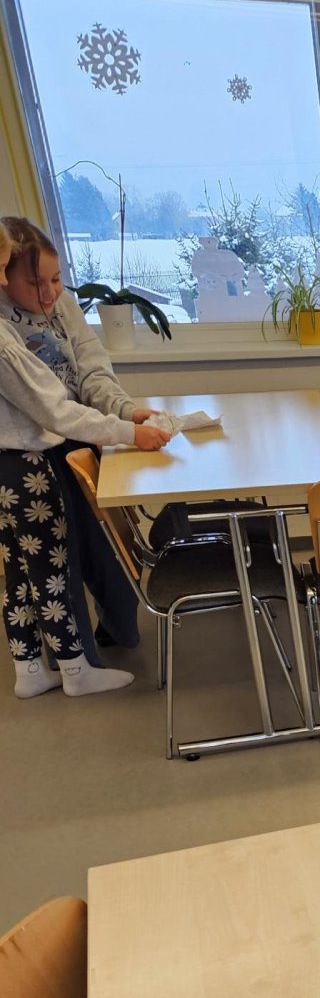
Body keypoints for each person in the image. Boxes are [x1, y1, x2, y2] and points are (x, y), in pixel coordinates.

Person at [0, 216, 172, 699]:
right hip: (29, 460)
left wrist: (124, 411)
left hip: (61, 446)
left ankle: (31, 670)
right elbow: (53, 410)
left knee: (28, 569)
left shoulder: (59, 307)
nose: (49, 293)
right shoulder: (4, 336)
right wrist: (127, 431)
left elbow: (92, 372)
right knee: (52, 570)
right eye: (34, 283)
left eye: (56, 279)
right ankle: (76, 669)